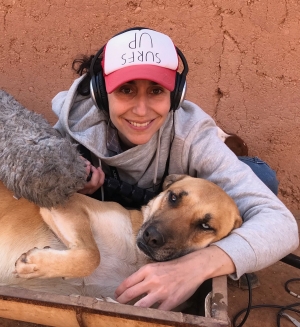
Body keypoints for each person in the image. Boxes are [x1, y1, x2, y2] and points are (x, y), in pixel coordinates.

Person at [52, 27, 298, 310]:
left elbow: (282, 225)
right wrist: (67, 179)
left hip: (196, 180)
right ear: (101, 94)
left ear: (176, 96)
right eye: (126, 90)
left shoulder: (190, 134)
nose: (141, 111)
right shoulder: (77, 127)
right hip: (138, 203)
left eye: (156, 91)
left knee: (260, 181)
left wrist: (199, 265)